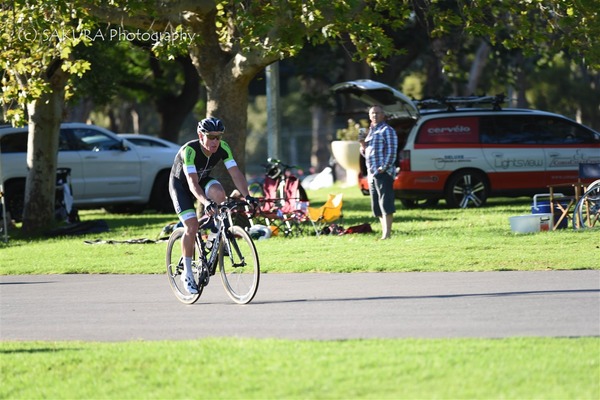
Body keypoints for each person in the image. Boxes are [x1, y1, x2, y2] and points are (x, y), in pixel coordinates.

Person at [169, 117, 255, 294]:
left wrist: (248, 196)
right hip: (181, 185)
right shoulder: (190, 151)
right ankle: (187, 272)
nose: (215, 141)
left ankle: (214, 233)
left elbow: (236, 174)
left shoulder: (223, 148)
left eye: (218, 137)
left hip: (202, 179)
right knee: (191, 225)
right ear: (201, 135)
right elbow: (192, 184)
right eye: (211, 137)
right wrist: (206, 202)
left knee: (220, 194)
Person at [359, 105, 398, 240]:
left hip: (383, 172)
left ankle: (387, 234)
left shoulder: (387, 130)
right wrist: (362, 145)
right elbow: (367, 154)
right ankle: (384, 233)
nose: (375, 115)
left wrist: (383, 168)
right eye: (372, 113)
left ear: (383, 115)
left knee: (385, 203)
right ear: (369, 116)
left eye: (377, 113)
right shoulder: (370, 132)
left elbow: (392, 152)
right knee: (377, 205)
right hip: (371, 174)